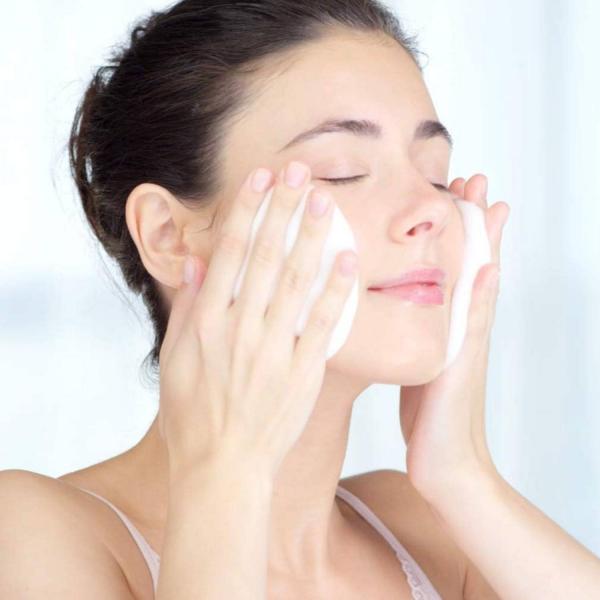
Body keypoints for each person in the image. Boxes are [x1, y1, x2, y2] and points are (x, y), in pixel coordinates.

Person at [2, 1, 599, 599]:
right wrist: (227, 470)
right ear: (167, 235)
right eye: (342, 171)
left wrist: (463, 473)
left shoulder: (425, 530)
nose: (433, 209)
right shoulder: (33, 532)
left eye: (436, 175)